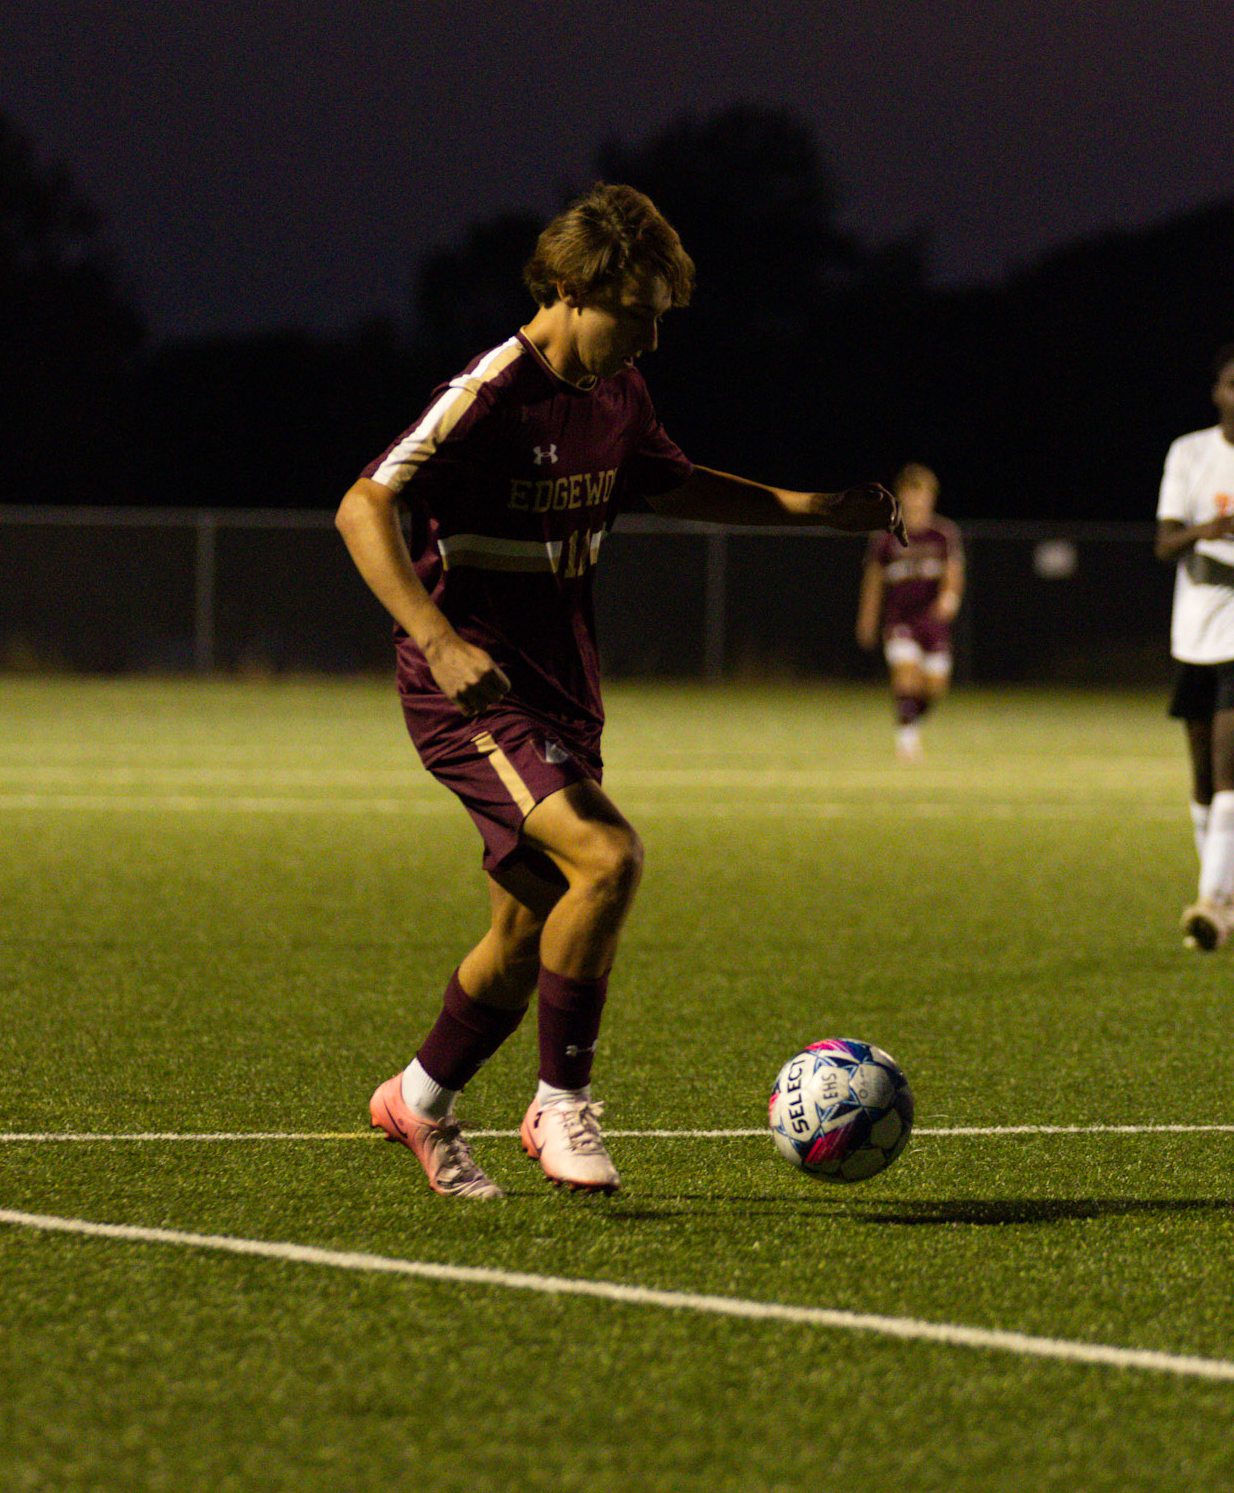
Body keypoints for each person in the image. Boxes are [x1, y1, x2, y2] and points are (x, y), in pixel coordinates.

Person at [335, 181, 904, 1200]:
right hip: (474, 688)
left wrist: (814, 509)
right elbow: (361, 505)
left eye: (659, 317)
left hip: (562, 688)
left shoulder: (619, 393)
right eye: (636, 313)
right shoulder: (491, 393)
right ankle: (561, 1103)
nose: (649, 337)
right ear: (569, 287)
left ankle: (417, 1099)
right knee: (608, 857)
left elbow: (675, 483)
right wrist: (438, 640)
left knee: (529, 927)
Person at [1156, 341, 1234, 952]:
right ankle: (1224, 898)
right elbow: (1165, 544)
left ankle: (1208, 902)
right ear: (1217, 393)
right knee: (1203, 781)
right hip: (1196, 635)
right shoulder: (1190, 452)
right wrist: (1209, 528)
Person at [855, 464, 963, 762]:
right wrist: (867, 618)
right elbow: (873, 581)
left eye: (922, 493)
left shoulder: (943, 533)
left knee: (935, 686)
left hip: (932, 620)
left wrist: (950, 598)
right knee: (906, 675)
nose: (917, 500)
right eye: (911, 493)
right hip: (899, 618)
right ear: (900, 496)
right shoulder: (886, 535)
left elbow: (954, 573)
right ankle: (906, 741)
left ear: (931, 497)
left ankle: (910, 725)